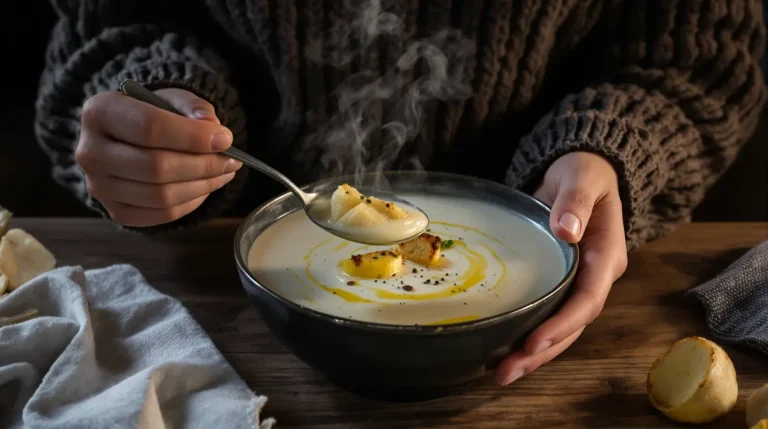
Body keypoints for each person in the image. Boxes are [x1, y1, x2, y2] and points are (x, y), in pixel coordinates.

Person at [35, 0, 767, 386]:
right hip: (232, 317)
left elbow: (690, 63)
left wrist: (612, 144)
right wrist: (157, 117)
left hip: (550, 271)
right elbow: (118, 21)